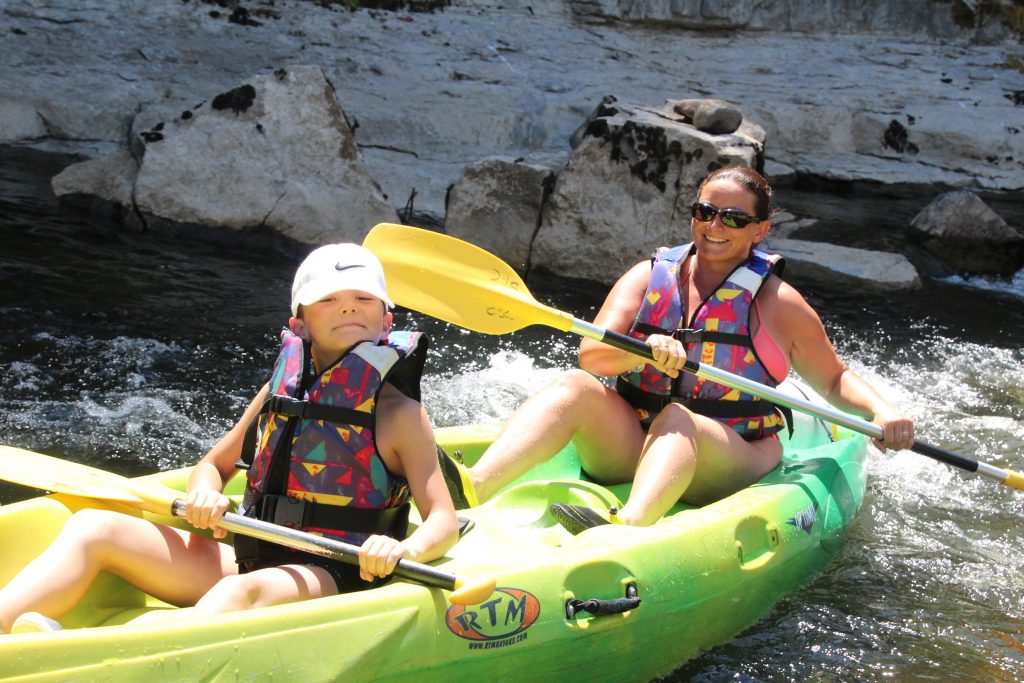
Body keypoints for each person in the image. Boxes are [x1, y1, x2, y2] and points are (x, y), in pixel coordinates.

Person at [0, 243, 459, 634]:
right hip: (252, 551)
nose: (348, 306)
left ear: (386, 320)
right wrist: (205, 496)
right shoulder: (279, 392)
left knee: (239, 591)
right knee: (94, 528)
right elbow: (212, 467)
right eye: (329, 300)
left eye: (363, 298)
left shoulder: (399, 412)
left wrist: (402, 549)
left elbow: (442, 518)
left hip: (339, 570)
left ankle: (131, 659)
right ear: (298, 324)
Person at [446, 165, 914, 533]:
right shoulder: (649, 276)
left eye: (734, 219)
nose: (715, 226)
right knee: (575, 386)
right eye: (704, 212)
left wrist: (882, 410)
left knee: (679, 419)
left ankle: (627, 528)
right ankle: (472, 488)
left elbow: (832, 378)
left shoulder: (778, 303)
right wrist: (640, 351)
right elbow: (591, 356)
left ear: (759, 230)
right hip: (637, 441)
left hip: (731, 456)